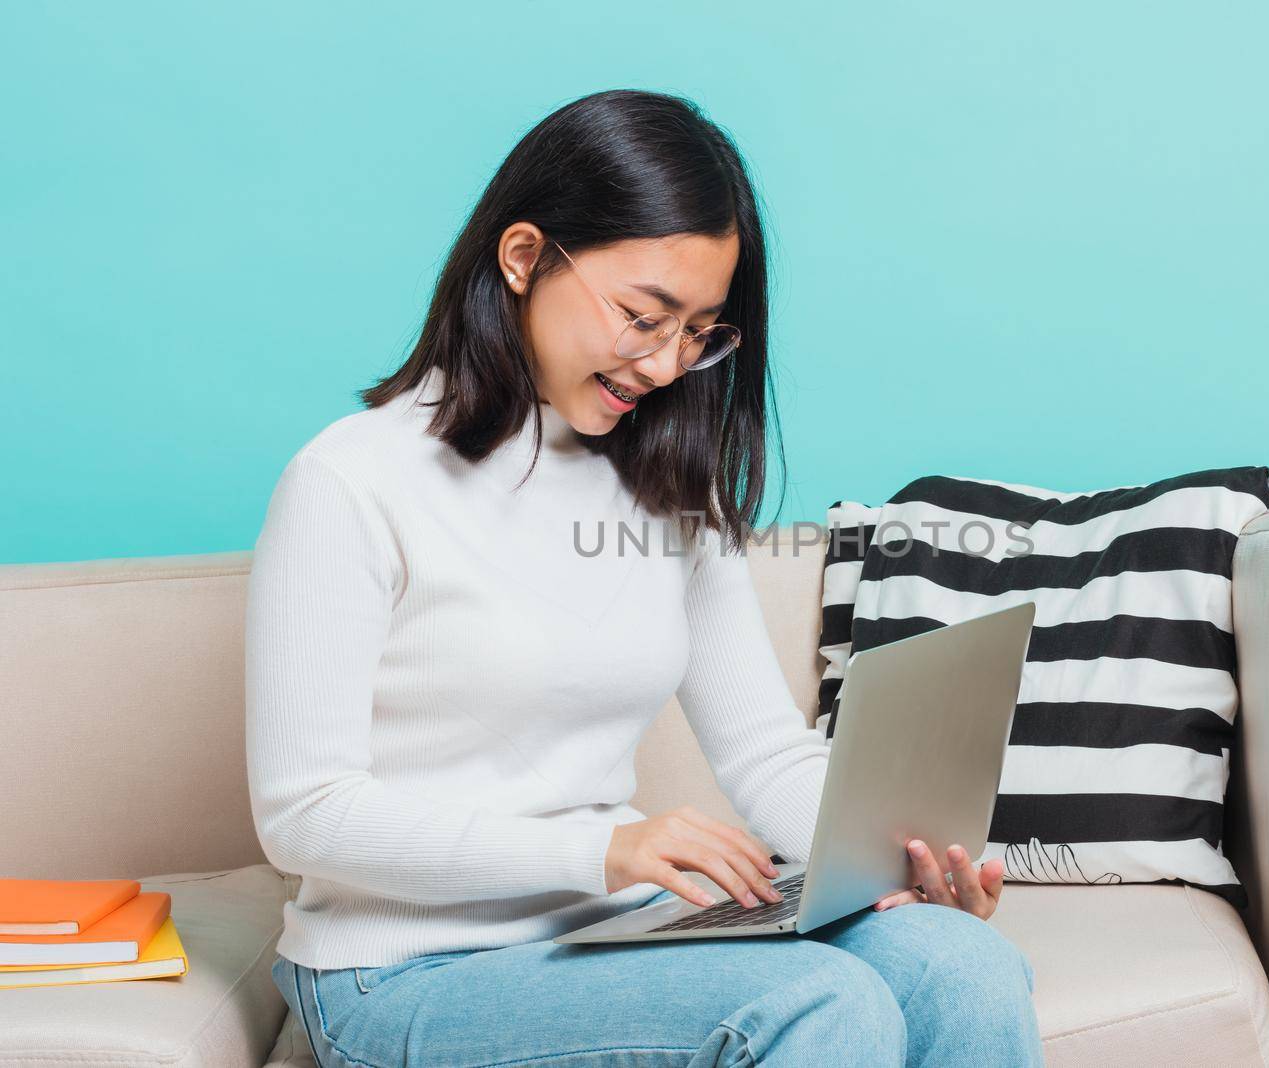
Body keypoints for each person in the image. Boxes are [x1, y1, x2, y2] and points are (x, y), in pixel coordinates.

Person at [245, 88, 1043, 1067]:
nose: (669, 365)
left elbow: (761, 750)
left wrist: (891, 857)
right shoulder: (350, 480)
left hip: (614, 931)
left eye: (701, 331)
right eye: (642, 316)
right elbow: (305, 815)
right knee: (815, 1003)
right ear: (524, 256)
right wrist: (604, 850)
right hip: (405, 972)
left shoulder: (666, 482)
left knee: (962, 965)